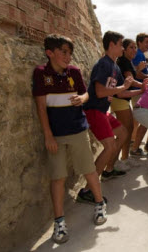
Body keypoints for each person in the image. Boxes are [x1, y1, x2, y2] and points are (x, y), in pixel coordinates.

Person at [32, 34, 107, 244]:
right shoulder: (41, 73)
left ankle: (100, 203)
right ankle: (59, 221)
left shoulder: (74, 71)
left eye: (69, 52)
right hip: (56, 136)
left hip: (78, 130)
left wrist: (80, 99)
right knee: (58, 177)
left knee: (89, 170)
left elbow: (86, 95)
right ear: (50, 53)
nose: (68, 56)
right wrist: (48, 136)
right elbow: (41, 107)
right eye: (63, 52)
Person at [81, 31, 142, 188]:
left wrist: (141, 90)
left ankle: (109, 170)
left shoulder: (114, 66)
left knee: (123, 133)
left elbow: (121, 93)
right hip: (94, 110)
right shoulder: (103, 64)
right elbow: (100, 91)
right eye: (121, 45)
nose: (122, 48)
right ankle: (88, 189)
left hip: (103, 111)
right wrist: (125, 86)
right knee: (110, 147)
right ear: (112, 45)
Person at [114, 38, 147, 171]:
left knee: (127, 130)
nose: (134, 50)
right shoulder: (124, 62)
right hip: (120, 99)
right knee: (124, 132)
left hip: (123, 99)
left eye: (135, 47)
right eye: (131, 47)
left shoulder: (127, 61)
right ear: (125, 49)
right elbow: (131, 80)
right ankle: (116, 162)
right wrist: (144, 86)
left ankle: (124, 158)